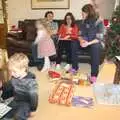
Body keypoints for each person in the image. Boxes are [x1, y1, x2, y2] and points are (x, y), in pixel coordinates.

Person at [71, 4, 104, 83]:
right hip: (85, 43)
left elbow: (99, 38)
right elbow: (79, 35)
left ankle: (94, 75)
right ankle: (75, 67)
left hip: (94, 43)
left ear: (88, 13)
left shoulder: (99, 21)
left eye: (83, 13)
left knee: (95, 47)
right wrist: (81, 40)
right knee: (74, 42)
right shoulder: (83, 22)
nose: (82, 15)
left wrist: (88, 43)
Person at [0, 53, 38, 120]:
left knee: (19, 116)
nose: (12, 74)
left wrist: (33, 109)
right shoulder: (15, 77)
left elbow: (34, 97)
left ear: (23, 69)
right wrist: (2, 87)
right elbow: (9, 85)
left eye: (14, 71)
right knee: (4, 113)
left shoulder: (31, 82)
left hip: (26, 103)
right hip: (16, 100)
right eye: (11, 71)